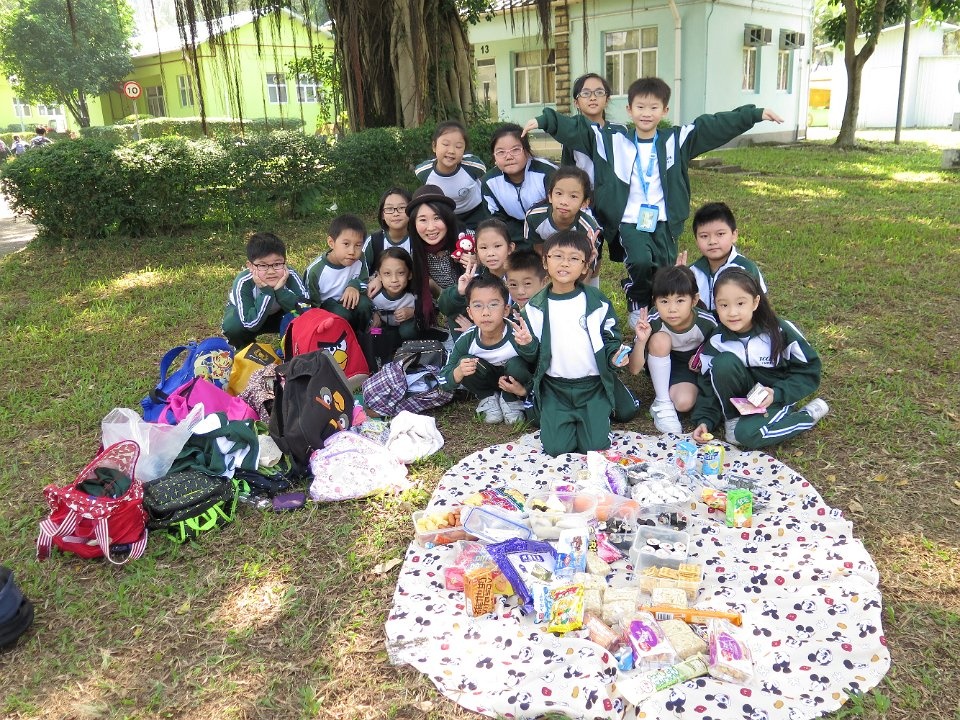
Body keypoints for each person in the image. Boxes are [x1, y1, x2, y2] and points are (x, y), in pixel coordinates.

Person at [532, 76, 783, 325]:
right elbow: (577, 129)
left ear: (664, 111)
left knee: (665, 271)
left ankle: (659, 310)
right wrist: (545, 121)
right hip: (630, 220)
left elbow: (712, 126)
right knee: (640, 261)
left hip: (663, 221)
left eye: (653, 107)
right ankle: (638, 302)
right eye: (640, 107)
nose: (646, 113)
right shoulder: (613, 140)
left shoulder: (676, 139)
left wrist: (753, 115)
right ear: (629, 110)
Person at [513, 229, 631, 455]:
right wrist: (526, 344)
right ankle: (557, 417)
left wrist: (614, 355)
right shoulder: (535, 308)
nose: (565, 263)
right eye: (557, 256)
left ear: (585, 267)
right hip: (555, 389)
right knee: (556, 449)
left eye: (574, 258)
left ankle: (607, 404)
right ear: (545, 262)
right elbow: (532, 356)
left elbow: (610, 336)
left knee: (595, 447)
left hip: (592, 386)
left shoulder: (596, 301)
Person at [690, 268, 829, 448]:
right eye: (723, 305)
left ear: (755, 302)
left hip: (775, 397)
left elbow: (809, 371)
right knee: (723, 363)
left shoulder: (779, 331)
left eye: (740, 303)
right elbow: (708, 385)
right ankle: (732, 419)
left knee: (747, 435)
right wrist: (705, 420)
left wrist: (777, 394)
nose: (732, 312)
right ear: (715, 305)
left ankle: (806, 416)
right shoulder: (717, 340)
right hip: (742, 400)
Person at [522, 73, 629, 260]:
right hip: (584, 198)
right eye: (586, 93)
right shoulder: (571, 133)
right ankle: (587, 274)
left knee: (617, 245)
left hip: (613, 198)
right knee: (586, 245)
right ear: (576, 102)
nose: (593, 97)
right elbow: (568, 168)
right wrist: (543, 120)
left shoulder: (619, 131)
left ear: (607, 99)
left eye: (599, 92)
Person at [628, 265, 717, 434]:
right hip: (661, 359)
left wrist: (702, 357)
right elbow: (634, 369)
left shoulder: (706, 322)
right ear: (655, 301)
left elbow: (717, 349)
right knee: (661, 339)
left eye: (680, 301)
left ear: (694, 300)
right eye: (664, 301)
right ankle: (662, 402)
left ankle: (679, 392)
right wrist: (641, 341)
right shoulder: (653, 320)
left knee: (684, 403)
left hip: (689, 368)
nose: (672, 309)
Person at [439, 275, 532, 424]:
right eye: (477, 306)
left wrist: (524, 390)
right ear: (470, 312)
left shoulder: (518, 334)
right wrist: (458, 372)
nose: (485, 312)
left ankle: (511, 399)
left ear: (506, 309)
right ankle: (488, 397)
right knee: (465, 362)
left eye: (493, 304)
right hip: (486, 379)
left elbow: (538, 366)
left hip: (514, 382)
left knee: (517, 364)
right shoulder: (467, 339)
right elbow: (443, 378)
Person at [221, 231, 309, 348]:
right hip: (251, 315)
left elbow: (306, 311)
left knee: (302, 320)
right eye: (262, 265)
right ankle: (246, 349)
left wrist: (281, 291)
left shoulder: (291, 275)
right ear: (250, 266)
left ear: (285, 262)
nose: (271, 271)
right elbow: (250, 324)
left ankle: (292, 348)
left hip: (280, 315)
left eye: (277, 264)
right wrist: (267, 292)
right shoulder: (243, 281)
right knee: (233, 327)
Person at [522, 165, 602, 286]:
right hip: (548, 259)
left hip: (580, 262)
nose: (564, 202)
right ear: (550, 196)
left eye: (573, 196)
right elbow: (538, 249)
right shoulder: (534, 217)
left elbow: (587, 265)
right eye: (559, 193)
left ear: (584, 203)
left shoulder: (588, 228)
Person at [481, 124, 557, 248]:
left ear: (526, 151)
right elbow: (496, 221)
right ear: (494, 157)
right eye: (500, 152)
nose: (509, 157)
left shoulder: (548, 172)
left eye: (515, 150)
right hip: (515, 240)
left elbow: (559, 210)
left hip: (551, 234)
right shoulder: (489, 182)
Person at [405, 184, 467, 332]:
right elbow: (392, 269)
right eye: (423, 220)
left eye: (437, 218)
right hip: (444, 317)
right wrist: (378, 279)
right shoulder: (417, 253)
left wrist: (479, 263)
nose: (431, 227)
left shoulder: (469, 241)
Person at [438, 217, 515, 335]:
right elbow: (444, 306)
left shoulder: (519, 274)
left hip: (514, 333)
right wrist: (460, 292)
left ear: (510, 248)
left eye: (497, 246)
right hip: (483, 325)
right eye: (483, 248)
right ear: (476, 251)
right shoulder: (477, 275)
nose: (490, 253)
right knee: (455, 310)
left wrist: (474, 329)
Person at [689, 201, 767, 312]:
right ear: (696, 240)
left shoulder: (745, 268)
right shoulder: (692, 271)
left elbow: (762, 308)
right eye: (704, 236)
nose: (712, 241)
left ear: (734, 235)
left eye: (720, 234)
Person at [304, 213, 372, 334]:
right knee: (342, 315)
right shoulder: (315, 271)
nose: (352, 251)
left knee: (364, 305)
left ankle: (364, 335)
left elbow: (365, 281)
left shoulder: (360, 258)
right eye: (346, 244)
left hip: (351, 301)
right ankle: (342, 341)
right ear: (331, 242)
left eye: (358, 245)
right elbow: (311, 303)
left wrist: (354, 285)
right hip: (327, 307)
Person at [414, 121, 489, 230]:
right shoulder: (423, 172)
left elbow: (485, 181)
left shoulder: (474, 166)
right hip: (445, 215)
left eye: (458, 146)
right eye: (445, 144)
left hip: (476, 212)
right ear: (434, 146)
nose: (451, 151)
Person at [363, 187, 413, 288]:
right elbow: (360, 273)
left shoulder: (417, 240)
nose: (396, 213)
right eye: (389, 209)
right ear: (382, 214)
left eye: (402, 208)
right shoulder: (374, 241)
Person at [369, 247, 419, 341]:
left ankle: (408, 344)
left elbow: (427, 310)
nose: (394, 279)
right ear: (379, 276)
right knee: (372, 332)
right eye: (387, 273)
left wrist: (413, 312)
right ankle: (386, 343)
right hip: (384, 328)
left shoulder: (414, 294)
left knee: (408, 331)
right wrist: (374, 314)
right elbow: (368, 308)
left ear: (409, 274)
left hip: (404, 328)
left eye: (400, 273)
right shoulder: (374, 294)